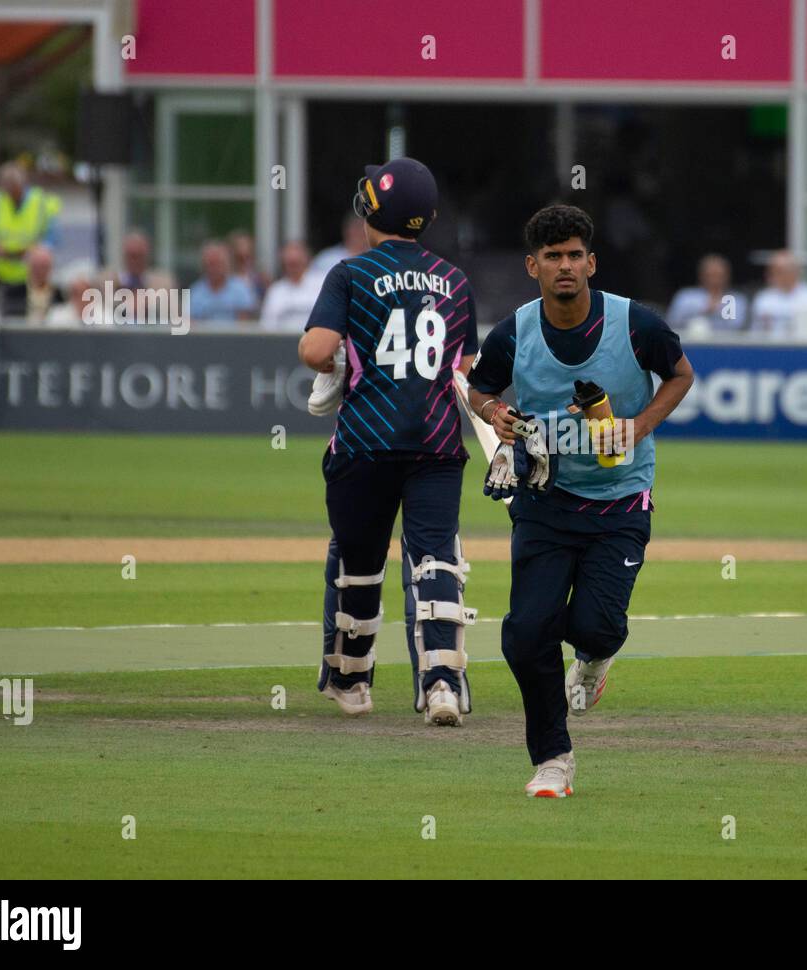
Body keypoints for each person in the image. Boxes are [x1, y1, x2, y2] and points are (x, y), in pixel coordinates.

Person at [466, 204, 694, 798]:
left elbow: (681, 374)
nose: (564, 266)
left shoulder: (635, 323)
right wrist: (496, 415)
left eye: (574, 255)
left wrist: (639, 426)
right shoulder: (515, 330)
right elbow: (479, 387)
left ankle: (594, 657)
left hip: (620, 500)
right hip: (546, 497)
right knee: (524, 634)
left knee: (597, 625)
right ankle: (553, 759)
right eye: (552, 257)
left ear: (591, 262)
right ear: (532, 266)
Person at [298, 157, 480, 727]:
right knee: (436, 562)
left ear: (372, 209)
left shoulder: (350, 274)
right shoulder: (453, 280)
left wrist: (338, 360)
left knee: (358, 562)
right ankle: (443, 683)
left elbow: (312, 349)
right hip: (435, 444)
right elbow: (466, 371)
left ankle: (352, 681)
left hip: (364, 443)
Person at [0, 162, 61, 310]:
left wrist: (36, 252)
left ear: (23, 185)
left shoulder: (41, 202)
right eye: (8, 191)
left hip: (31, 277)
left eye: (15, 191)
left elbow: (52, 239)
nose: (12, 196)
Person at [750, 250, 807, 338]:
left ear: (796, 271)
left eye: (781, 271)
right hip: (773, 349)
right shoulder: (764, 298)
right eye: (774, 271)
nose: (772, 275)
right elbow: (756, 334)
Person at [666, 253, 749, 334]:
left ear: (727, 276)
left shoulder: (736, 299)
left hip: (725, 345)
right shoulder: (686, 296)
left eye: (719, 275)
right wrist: (703, 310)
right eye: (711, 275)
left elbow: (737, 326)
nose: (715, 280)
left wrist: (717, 310)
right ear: (701, 275)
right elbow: (673, 321)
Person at [259, 240, 323, 332]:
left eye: (297, 262)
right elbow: (267, 326)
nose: (294, 267)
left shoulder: (323, 284)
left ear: (306, 259)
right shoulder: (276, 290)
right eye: (290, 264)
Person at [187, 240, 256, 326]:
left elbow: (245, 325)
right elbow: (190, 323)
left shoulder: (240, 289)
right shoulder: (195, 291)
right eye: (210, 264)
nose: (213, 269)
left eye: (217, 264)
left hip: (234, 338)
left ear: (226, 264)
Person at [16, 245, 63, 325]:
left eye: (44, 266)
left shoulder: (59, 294)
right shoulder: (15, 293)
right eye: (36, 266)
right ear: (29, 266)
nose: (40, 271)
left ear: (50, 268)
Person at [227, 229, 269, 300]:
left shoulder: (260, 276)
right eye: (240, 245)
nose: (244, 249)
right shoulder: (227, 276)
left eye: (246, 244)